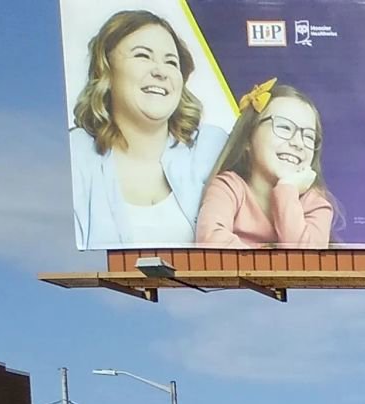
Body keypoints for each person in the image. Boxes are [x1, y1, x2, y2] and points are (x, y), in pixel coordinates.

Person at [67, 10, 227, 250]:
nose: (160, 72)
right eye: (143, 56)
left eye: (171, 62)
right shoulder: (75, 154)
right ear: (105, 71)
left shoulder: (212, 147)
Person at [194, 81, 336, 248]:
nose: (298, 143)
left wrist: (287, 190)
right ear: (248, 137)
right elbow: (211, 243)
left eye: (309, 136)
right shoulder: (228, 187)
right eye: (284, 127)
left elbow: (309, 261)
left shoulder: (315, 203)